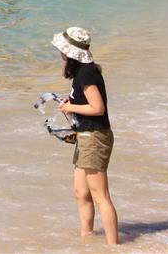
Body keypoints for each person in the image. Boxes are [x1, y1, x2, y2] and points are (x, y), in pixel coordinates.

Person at [51, 28, 118, 245]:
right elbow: (86, 104)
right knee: (81, 192)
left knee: (101, 196)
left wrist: (71, 106)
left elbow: (98, 108)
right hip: (86, 136)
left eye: (62, 49)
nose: (60, 53)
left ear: (70, 53)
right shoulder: (82, 73)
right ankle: (86, 239)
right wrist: (71, 105)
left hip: (95, 138)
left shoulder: (86, 73)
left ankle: (114, 246)